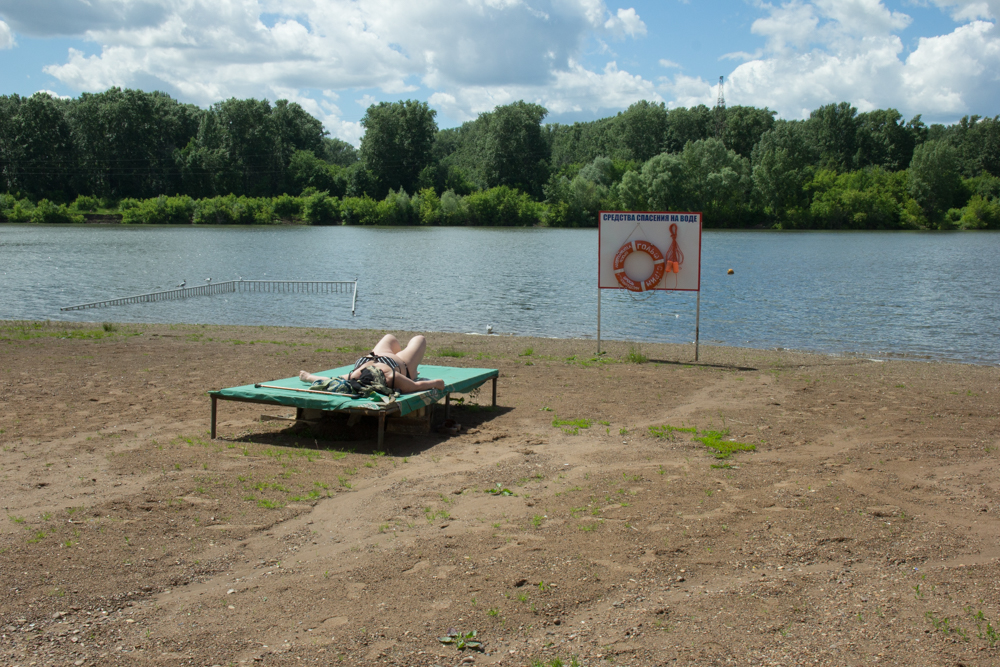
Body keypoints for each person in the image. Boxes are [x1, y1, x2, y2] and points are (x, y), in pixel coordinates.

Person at [299, 334, 445, 394]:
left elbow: (331, 380)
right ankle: (412, 371)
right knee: (419, 339)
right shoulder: (390, 377)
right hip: (399, 365)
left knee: (390, 338)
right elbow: (415, 386)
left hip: (379, 358)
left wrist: (309, 377)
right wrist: (436, 383)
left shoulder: (357, 376)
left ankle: (410, 367)